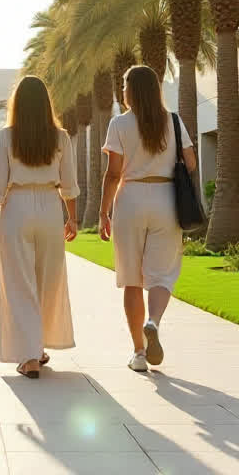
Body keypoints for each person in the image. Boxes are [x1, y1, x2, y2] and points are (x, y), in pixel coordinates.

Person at [98, 65, 198, 373]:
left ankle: (139, 353)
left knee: (131, 279)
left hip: (130, 200)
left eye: (124, 85)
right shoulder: (173, 121)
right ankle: (152, 322)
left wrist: (103, 212)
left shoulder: (119, 124)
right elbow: (191, 163)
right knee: (161, 275)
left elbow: (113, 173)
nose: (122, 90)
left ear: (132, 90)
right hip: (165, 199)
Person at [0, 75, 79, 378]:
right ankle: (37, 348)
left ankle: (29, 356)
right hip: (50, 208)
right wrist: (72, 218)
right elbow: (69, 184)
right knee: (47, 281)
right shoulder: (60, 137)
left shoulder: (6, 136)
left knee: (18, 283)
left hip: (17, 208)